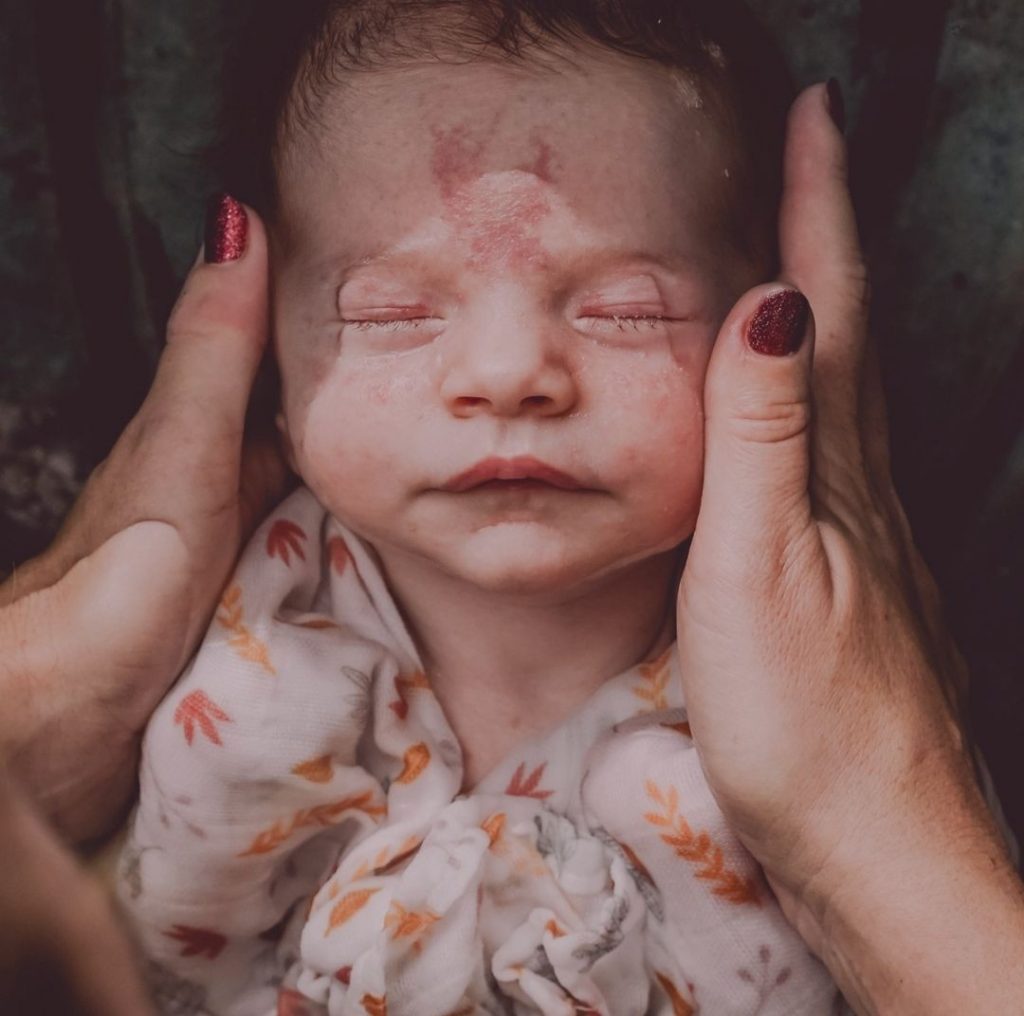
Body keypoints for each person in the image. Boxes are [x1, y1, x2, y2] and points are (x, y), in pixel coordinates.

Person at [2, 1, 1022, 1013]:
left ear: (752, 328)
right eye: (390, 313)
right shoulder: (235, 667)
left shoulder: (843, 691)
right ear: (267, 358)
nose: (506, 371)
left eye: (625, 310)